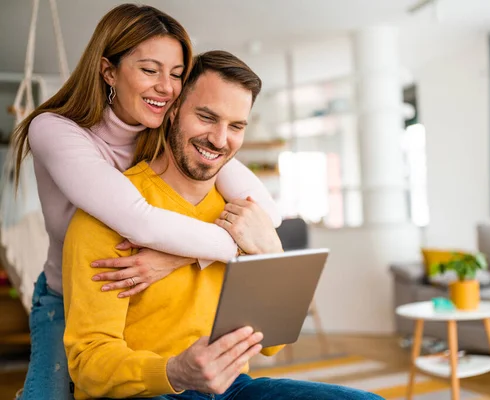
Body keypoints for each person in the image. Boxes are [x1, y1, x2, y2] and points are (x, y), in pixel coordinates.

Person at [62, 49, 382, 400]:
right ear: (172, 112)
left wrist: (269, 250)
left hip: (232, 389)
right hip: (146, 391)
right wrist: (174, 371)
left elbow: (272, 343)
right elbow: (88, 363)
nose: (219, 139)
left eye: (236, 126)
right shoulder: (109, 211)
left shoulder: (242, 213)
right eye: (206, 117)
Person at [11, 4, 280, 399]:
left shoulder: (165, 132)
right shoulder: (54, 129)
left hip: (135, 294)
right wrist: (235, 248)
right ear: (109, 71)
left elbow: (265, 214)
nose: (166, 87)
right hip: (66, 296)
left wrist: (178, 258)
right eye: (149, 70)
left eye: (176, 74)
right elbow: (140, 222)